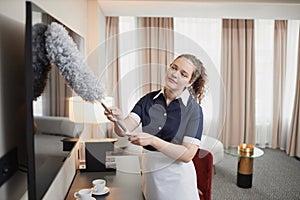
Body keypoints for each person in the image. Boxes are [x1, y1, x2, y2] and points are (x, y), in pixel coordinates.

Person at [104, 54, 207, 200]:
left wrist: (153, 141)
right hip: (150, 174)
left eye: (183, 74)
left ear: (190, 82)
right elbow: (123, 130)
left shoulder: (193, 109)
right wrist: (118, 120)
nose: (174, 74)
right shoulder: (148, 100)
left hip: (178, 180)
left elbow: (187, 155)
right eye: (174, 67)